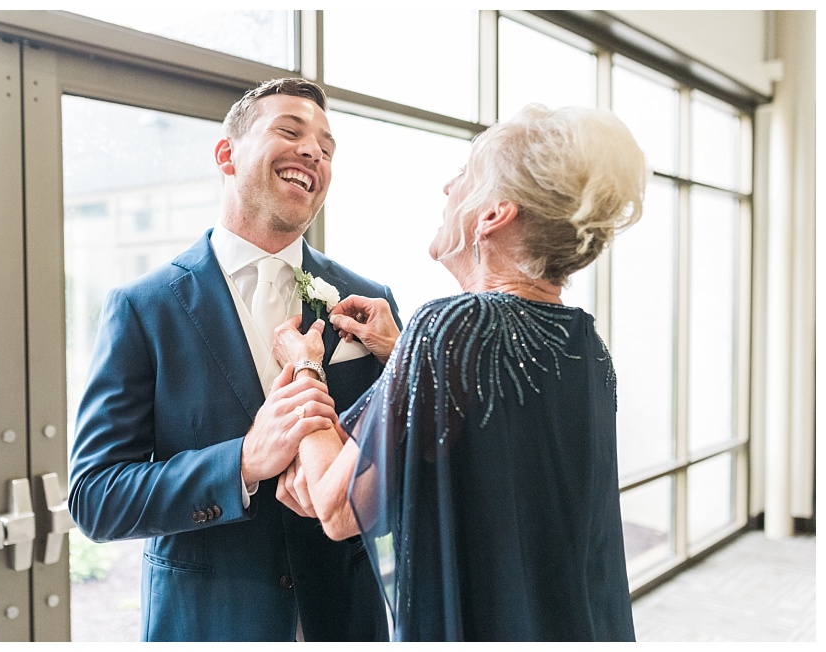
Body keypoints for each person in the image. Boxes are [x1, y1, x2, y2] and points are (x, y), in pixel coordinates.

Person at [272, 104, 646, 641]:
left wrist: (304, 364)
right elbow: (495, 452)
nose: (449, 187)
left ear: (494, 215)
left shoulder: (451, 324)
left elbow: (335, 506)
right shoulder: (588, 345)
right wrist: (401, 352)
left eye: (467, 175)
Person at [69, 78, 399, 642]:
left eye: (326, 146)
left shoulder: (372, 305)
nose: (312, 151)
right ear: (227, 154)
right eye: (290, 131)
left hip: (345, 622)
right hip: (207, 625)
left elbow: (407, 467)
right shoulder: (144, 308)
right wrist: (242, 462)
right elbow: (96, 496)